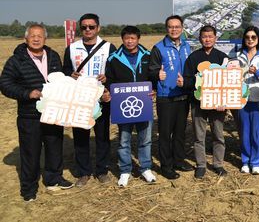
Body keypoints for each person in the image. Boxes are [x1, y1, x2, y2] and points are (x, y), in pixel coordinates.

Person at [0, 24, 74, 201]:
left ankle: (53, 179)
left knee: (54, 147)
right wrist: (27, 93)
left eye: (39, 36)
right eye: (32, 36)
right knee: (30, 153)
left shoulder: (53, 56)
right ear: (26, 39)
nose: (36, 39)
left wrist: (71, 79)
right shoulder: (16, 60)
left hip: (54, 112)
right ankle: (28, 188)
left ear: (45, 38)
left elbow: (61, 79)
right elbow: (5, 84)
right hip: (29, 116)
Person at [63, 13, 116, 187]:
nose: (87, 30)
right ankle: (83, 172)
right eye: (84, 27)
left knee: (102, 136)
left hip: (101, 98)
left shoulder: (109, 47)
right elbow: (64, 72)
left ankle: (102, 171)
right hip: (80, 100)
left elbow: (115, 72)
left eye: (91, 27)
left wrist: (107, 79)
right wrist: (70, 75)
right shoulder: (71, 48)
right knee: (80, 136)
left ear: (98, 28)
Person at [105, 26, 156, 187]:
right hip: (123, 106)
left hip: (144, 104)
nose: (129, 41)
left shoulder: (148, 55)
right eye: (127, 38)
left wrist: (153, 89)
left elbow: (153, 76)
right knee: (124, 140)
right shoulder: (113, 58)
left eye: (133, 38)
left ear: (138, 39)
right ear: (122, 39)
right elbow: (110, 80)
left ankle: (145, 168)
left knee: (145, 139)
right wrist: (109, 92)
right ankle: (125, 170)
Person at [148, 15, 193, 180]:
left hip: (183, 96)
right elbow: (151, 70)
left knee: (180, 132)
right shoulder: (158, 48)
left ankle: (178, 160)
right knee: (165, 134)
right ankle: (166, 167)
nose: (174, 29)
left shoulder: (187, 46)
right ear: (166, 29)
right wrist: (156, 74)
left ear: (182, 28)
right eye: (171, 27)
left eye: (177, 26)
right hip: (166, 97)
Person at [183, 25, 229, 179]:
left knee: (218, 134)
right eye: (204, 36)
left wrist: (224, 102)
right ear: (199, 39)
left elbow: (228, 82)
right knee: (199, 136)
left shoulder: (223, 57)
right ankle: (201, 164)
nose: (207, 39)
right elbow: (188, 80)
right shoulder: (193, 57)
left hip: (218, 105)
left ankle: (218, 164)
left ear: (216, 38)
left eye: (210, 36)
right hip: (198, 103)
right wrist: (191, 85)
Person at [236, 26, 259, 175]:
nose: (250, 40)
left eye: (253, 37)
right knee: (244, 131)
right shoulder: (238, 55)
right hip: (241, 98)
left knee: (257, 132)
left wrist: (257, 72)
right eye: (247, 37)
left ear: (258, 40)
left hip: (258, 98)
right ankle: (245, 161)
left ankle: (256, 162)